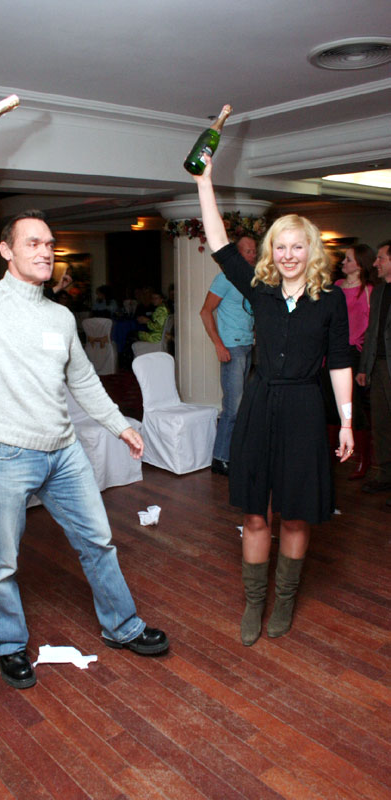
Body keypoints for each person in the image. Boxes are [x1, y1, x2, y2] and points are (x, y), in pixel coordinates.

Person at [0, 131, 169, 690]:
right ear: (6, 251)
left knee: (99, 542)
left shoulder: (60, 317)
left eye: (49, 243)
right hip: (6, 455)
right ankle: (9, 644)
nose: (44, 250)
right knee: (3, 563)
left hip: (64, 453)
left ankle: (122, 626)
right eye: (32, 242)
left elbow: (82, 381)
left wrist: (120, 425)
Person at [193, 154, 353, 647]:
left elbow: (339, 362)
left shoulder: (330, 300)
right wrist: (204, 182)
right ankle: (254, 601)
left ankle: (283, 601)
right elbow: (219, 244)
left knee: (297, 512)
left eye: (296, 246)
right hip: (260, 403)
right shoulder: (259, 289)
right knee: (255, 513)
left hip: (304, 406)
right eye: (279, 246)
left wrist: (347, 422)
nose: (287, 254)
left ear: (311, 250)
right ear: (271, 252)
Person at [199, 235, 257, 476]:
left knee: (243, 407)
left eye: (254, 251)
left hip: (248, 346)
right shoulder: (224, 279)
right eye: (248, 251)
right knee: (232, 407)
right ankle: (220, 458)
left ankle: (234, 454)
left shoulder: (253, 279)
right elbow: (205, 312)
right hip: (232, 348)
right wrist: (218, 345)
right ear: (237, 254)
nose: (253, 255)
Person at [335, 244, 375, 479]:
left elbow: (371, 330)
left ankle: (362, 459)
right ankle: (337, 453)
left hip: (354, 353)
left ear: (359, 265)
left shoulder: (368, 291)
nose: (343, 262)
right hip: (333, 351)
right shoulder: (337, 286)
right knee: (331, 405)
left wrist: (364, 364)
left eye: (348, 259)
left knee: (354, 407)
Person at [356, 240, 391, 505]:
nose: (376, 263)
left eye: (381, 258)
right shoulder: (378, 293)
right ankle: (385, 475)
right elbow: (371, 332)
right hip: (378, 367)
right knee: (380, 423)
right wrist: (364, 367)